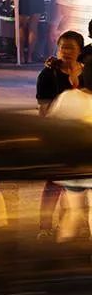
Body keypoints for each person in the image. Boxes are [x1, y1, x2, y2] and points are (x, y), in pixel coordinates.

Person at [36, 31, 84, 239]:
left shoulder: (88, 72)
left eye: (71, 47)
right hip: (58, 138)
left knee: (76, 185)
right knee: (53, 185)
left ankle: (68, 223)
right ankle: (45, 227)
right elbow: (44, 109)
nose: (66, 51)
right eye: (63, 47)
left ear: (80, 50)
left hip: (83, 138)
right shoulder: (48, 75)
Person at [46, 62, 92, 242]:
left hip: (73, 169)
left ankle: (65, 239)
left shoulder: (68, 97)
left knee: (74, 209)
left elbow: (50, 125)